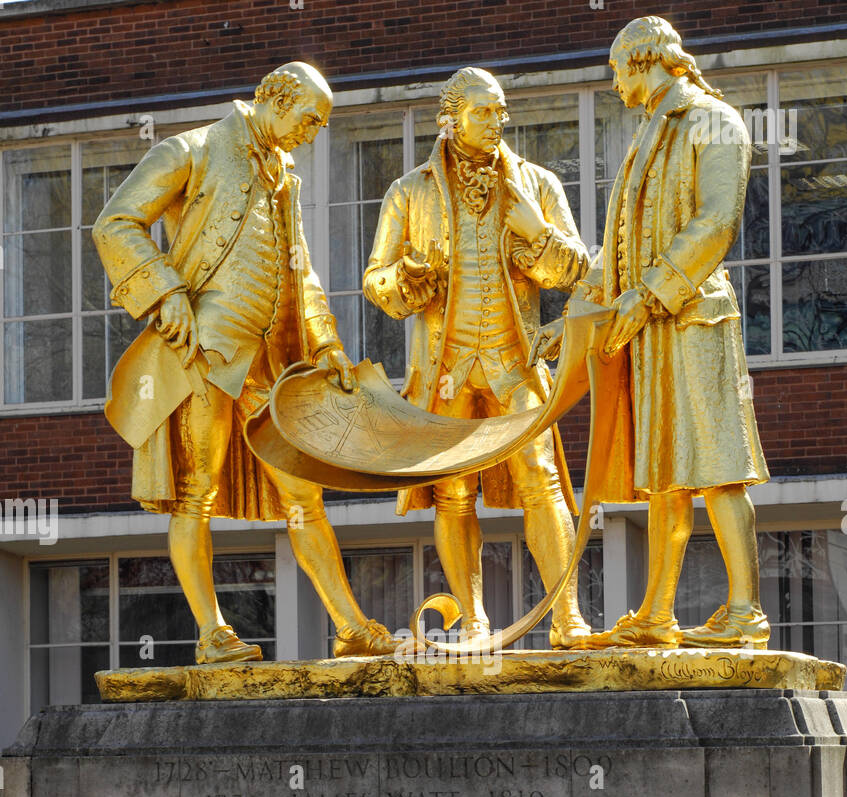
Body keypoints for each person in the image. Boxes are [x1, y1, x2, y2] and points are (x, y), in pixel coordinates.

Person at [94, 61, 398, 663]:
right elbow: (115, 222)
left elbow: (301, 269)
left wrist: (327, 343)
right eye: (309, 118)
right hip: (204, 355)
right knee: (196, 495)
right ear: (276, 98)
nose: (313, 132)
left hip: (269, 367)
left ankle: (351, 627)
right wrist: (166, 292)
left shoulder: (285, 174)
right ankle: (212, 634)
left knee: (304, 495)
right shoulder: (193, 149)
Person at [530, 17, 771, 649]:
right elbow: (618, 251)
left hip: (694, 318)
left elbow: (717, 223)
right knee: (667, 471)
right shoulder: (647, 135)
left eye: (616, 71)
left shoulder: (712, 121)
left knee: (720, 465)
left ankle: (744, 610)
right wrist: (573, 316)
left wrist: (651, 294)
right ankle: (659, 613)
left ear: (643, 62)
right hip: (651, 326)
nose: (614, 84)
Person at [363, 66, 591, 646]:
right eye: (483, 111)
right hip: (445, 365)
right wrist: (407, 278)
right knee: (453, 491)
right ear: (451, 117)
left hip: (515, 362)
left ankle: (567, 619)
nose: (497, 121)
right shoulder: (409, 192)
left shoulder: (536, 185)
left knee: (542, 480)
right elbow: (377, 283)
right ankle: (473, 618)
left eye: (500, 110)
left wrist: (537, 235)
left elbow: (581, 276)